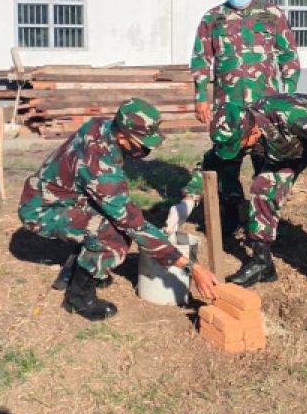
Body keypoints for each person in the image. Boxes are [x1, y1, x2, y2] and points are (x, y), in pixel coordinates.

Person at [18, 98, 218, 320]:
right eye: (143, 145)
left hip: (59, 195)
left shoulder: (102, 126)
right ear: (123, 137)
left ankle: (74, 271)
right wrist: (190, 266)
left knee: (108, 220)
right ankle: (78, 297)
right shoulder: (101, 168)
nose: (146, 150)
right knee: (115, 237)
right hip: (42, 209)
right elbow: (132, 223)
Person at [167, 93, 307, 315]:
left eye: (237, 146)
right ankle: (262, 263)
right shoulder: (237, 125)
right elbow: (212, 162)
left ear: (253, 132)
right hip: (290, 146)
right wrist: (188, 202)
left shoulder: (290, 117)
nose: (236, 152)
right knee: (262, 188)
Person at [190, 0, 300, 236]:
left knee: (266, 164)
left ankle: (262, 220)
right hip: (229, 108)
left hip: (266, 107)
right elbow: (201, 59)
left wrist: (287, 95)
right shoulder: (212, 18)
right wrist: (202, 97)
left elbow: (289, 56)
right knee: (227, 164)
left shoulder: (272, 15)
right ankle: (230, 214)